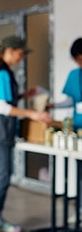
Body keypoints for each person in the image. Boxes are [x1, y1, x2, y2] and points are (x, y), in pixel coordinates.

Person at [0, 35, 52, 232]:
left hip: (1, 132)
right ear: (9, 52)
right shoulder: (2, 73)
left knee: (4, 175)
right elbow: (1, 106)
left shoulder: (4, 73)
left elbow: (6, 98)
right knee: (2, 176)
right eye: (20, 53)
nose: (22, 57)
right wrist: (33, 113)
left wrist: (23, 96)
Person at [46, 37, 82, 223]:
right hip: (78, 128)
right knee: (80, 172)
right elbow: (70, 100)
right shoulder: (74, 75)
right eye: (77, 59)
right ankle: (80, 211)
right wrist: (52, 105)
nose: (79, 62)